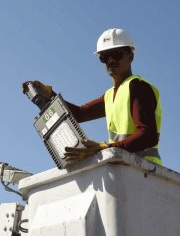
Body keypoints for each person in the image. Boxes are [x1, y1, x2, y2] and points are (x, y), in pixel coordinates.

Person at [29, 28, 162, 166]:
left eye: (116, 54)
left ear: (130, 56)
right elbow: (80, 114)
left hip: (145, 170)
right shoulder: (110, 95)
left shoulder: (138, 87)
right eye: (104, 57)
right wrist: (50, 95)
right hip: (123, 167)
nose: (110, 60)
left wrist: (105, 148)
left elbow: (148, 136)